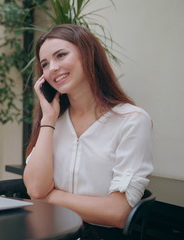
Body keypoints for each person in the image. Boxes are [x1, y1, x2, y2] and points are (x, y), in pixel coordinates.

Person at [23, 24, 153, 239]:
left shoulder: (131, 120)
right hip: (48, 231)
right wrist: (48, 119)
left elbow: (117, 213)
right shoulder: (53, 123)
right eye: (45, 64)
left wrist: (48, 198)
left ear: (88, 54)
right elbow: (36, 189)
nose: (52, 68)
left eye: (61, 55)